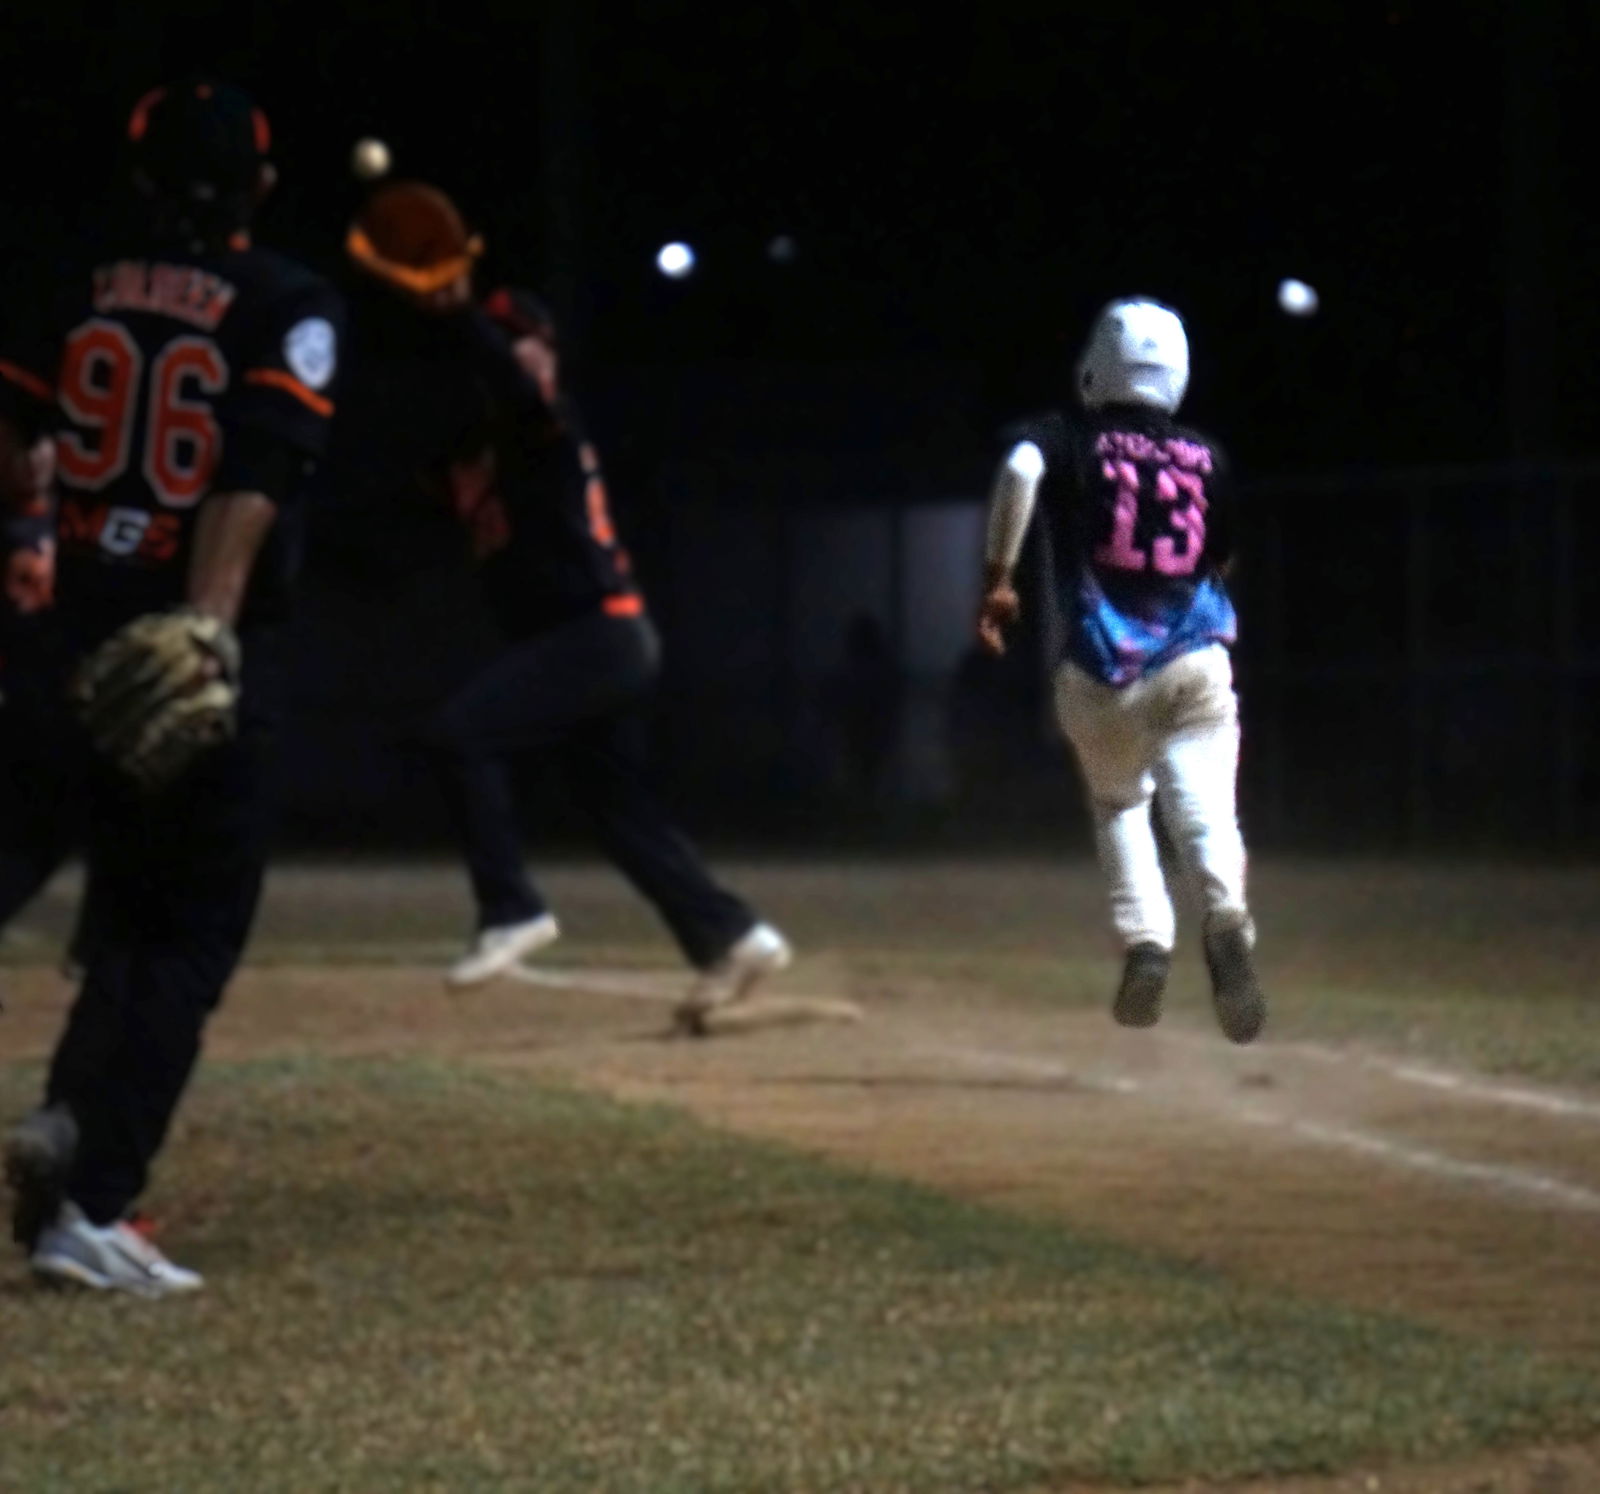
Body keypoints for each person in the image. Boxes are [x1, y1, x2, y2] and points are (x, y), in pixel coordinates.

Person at [0, 78, 344, 1295]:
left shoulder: (74, 276)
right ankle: (91, 1203)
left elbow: (15, 438)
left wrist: (33, 543)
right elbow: (251, 475)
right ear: (258, 184)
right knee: (183, 932)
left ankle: (69, 1133)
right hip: (189, 658)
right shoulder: (287, 302)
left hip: (62, 644)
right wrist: (206, 625)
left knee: (110, 910)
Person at [332, 181, 790, 1030]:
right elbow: (398, 487)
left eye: (535, 345)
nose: (529, 356)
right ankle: (730, 935)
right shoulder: (475, 445)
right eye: (519, 343)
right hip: (585, 640)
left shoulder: (541, 420)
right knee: (615, 810)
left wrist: (459, 305)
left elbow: (505, 384)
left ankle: (509, 909)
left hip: (599, 636)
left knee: (457, 737)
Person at [975, 296, 1264, 1044]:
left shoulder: (1069, 436)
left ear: (1100, 368)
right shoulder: (1208, 455)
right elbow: (1218, 556)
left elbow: (1017, 469)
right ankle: (1225, 911)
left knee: (1120, 804)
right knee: (1206, 813)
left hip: (1103, 669)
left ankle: (1147, 941)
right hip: (1196, 658)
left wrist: (1000, 577)